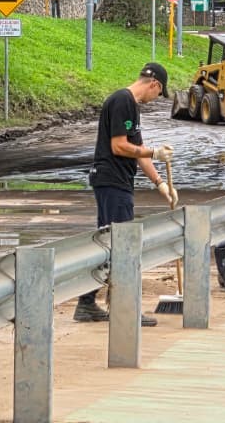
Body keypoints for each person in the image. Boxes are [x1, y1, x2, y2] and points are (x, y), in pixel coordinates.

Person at [74, 62, 177, 327]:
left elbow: (137, 147)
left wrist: (160, 184)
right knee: (123, 244)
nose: (156, 99)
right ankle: (126, 309)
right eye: (159, 94)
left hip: (117, 182)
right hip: (112, 182)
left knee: (108, 243)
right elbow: (120, 146)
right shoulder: (122, 101)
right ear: (155, 85)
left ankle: (86, 302)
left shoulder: (131, 105)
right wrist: (155, 153)